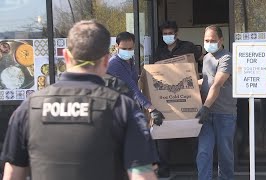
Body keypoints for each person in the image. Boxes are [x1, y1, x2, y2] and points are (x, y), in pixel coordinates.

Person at [0, 20, 158, 180]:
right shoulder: (123, 108)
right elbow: (143, 176)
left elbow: (12, 174)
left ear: (66, 57)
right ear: (105, 60)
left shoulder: (28, 108)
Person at [153, 20, 203, 178]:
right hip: (166, 97)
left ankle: (199, 166)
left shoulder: (188, 46)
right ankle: (164, 168)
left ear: (176, 33)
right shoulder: (159, 51)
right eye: (165, 34)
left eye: (170, 33)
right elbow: (154, 73)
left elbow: (200, 60)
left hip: (187, 96)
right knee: (163, 135)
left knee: (193, 132)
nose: (167, 36)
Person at [195, 25, 237, 180]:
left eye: (212, 40)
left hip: (224, 114)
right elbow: (206, 81)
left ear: (221, 40)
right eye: (206, 40)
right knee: (203, 152)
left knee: (225, 154)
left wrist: (205, 106)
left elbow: (217, 84)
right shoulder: (206, 58)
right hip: (207, 115)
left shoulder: (226, 58)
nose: (209, 43)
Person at [107, 31, 165, 126]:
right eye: (123, 48)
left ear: (134, 47)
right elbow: (132, 88)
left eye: (130, 48)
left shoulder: (129, 60)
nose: (127, 51)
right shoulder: (115, 64)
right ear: (117, 46)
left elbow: (135, 80)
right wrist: (151, 109)